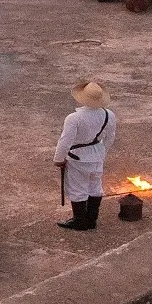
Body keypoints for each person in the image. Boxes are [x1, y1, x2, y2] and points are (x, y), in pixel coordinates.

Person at [54, 81, 116, 231]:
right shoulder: (109, 114)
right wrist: (102, 152)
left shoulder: (74, 118)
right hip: (97, 154)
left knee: (78, 189)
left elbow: (65, 141)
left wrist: (58, 159)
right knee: (95, 187)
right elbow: (110, 137)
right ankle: (91, 219)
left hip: (78, 157)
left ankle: (80, 221)